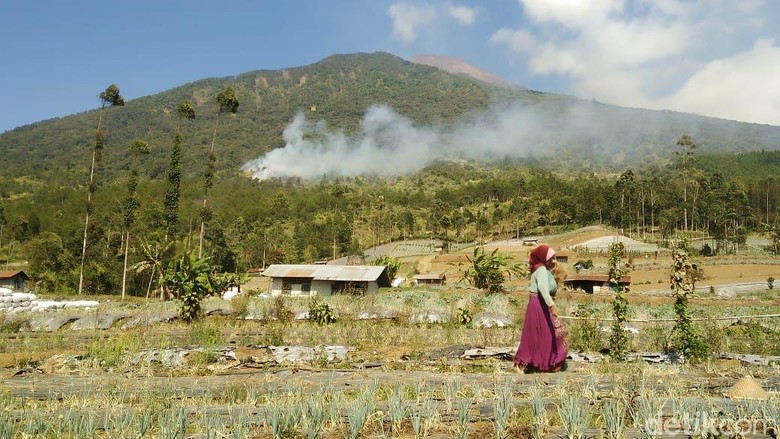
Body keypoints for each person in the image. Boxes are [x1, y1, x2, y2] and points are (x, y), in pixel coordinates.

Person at [514, 244, 568, 372]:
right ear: (543, 258)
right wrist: (552, 305)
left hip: (537, 303)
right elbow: (543, 289)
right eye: (551, 258)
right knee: (547, 334)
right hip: (539, 304)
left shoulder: (538, 269)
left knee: (538, 334)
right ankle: (544, 363)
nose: (553, 261)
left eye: (554, 258)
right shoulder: (542, 270)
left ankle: (535, 364)